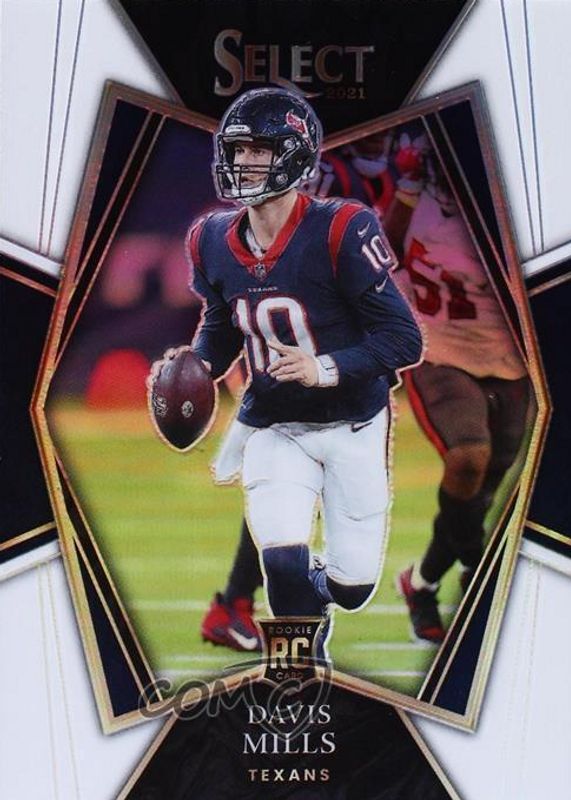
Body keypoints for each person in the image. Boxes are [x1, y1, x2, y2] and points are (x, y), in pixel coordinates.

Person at [187, 87, 422, 659]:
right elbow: (221, 326)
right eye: (238, 150)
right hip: (275, 424)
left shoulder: (341, 227)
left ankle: (324, 592)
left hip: (354, 422)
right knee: (281, 557)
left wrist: (325, 368)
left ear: (294, 155)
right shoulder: (210, 238)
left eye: (259, 150)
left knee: (354, 586)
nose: (244, 162)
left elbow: (403, 338)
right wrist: (194, 365)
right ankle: (299, 671)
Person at [384, 144, 529, 643]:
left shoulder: (519, 214)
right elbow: (380, 252)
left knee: (480, 494)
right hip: (440, 353)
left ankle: (421, 584)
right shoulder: (416, 206)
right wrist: (406, 190)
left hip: (510, 363)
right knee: (468, 459)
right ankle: (479, 567)